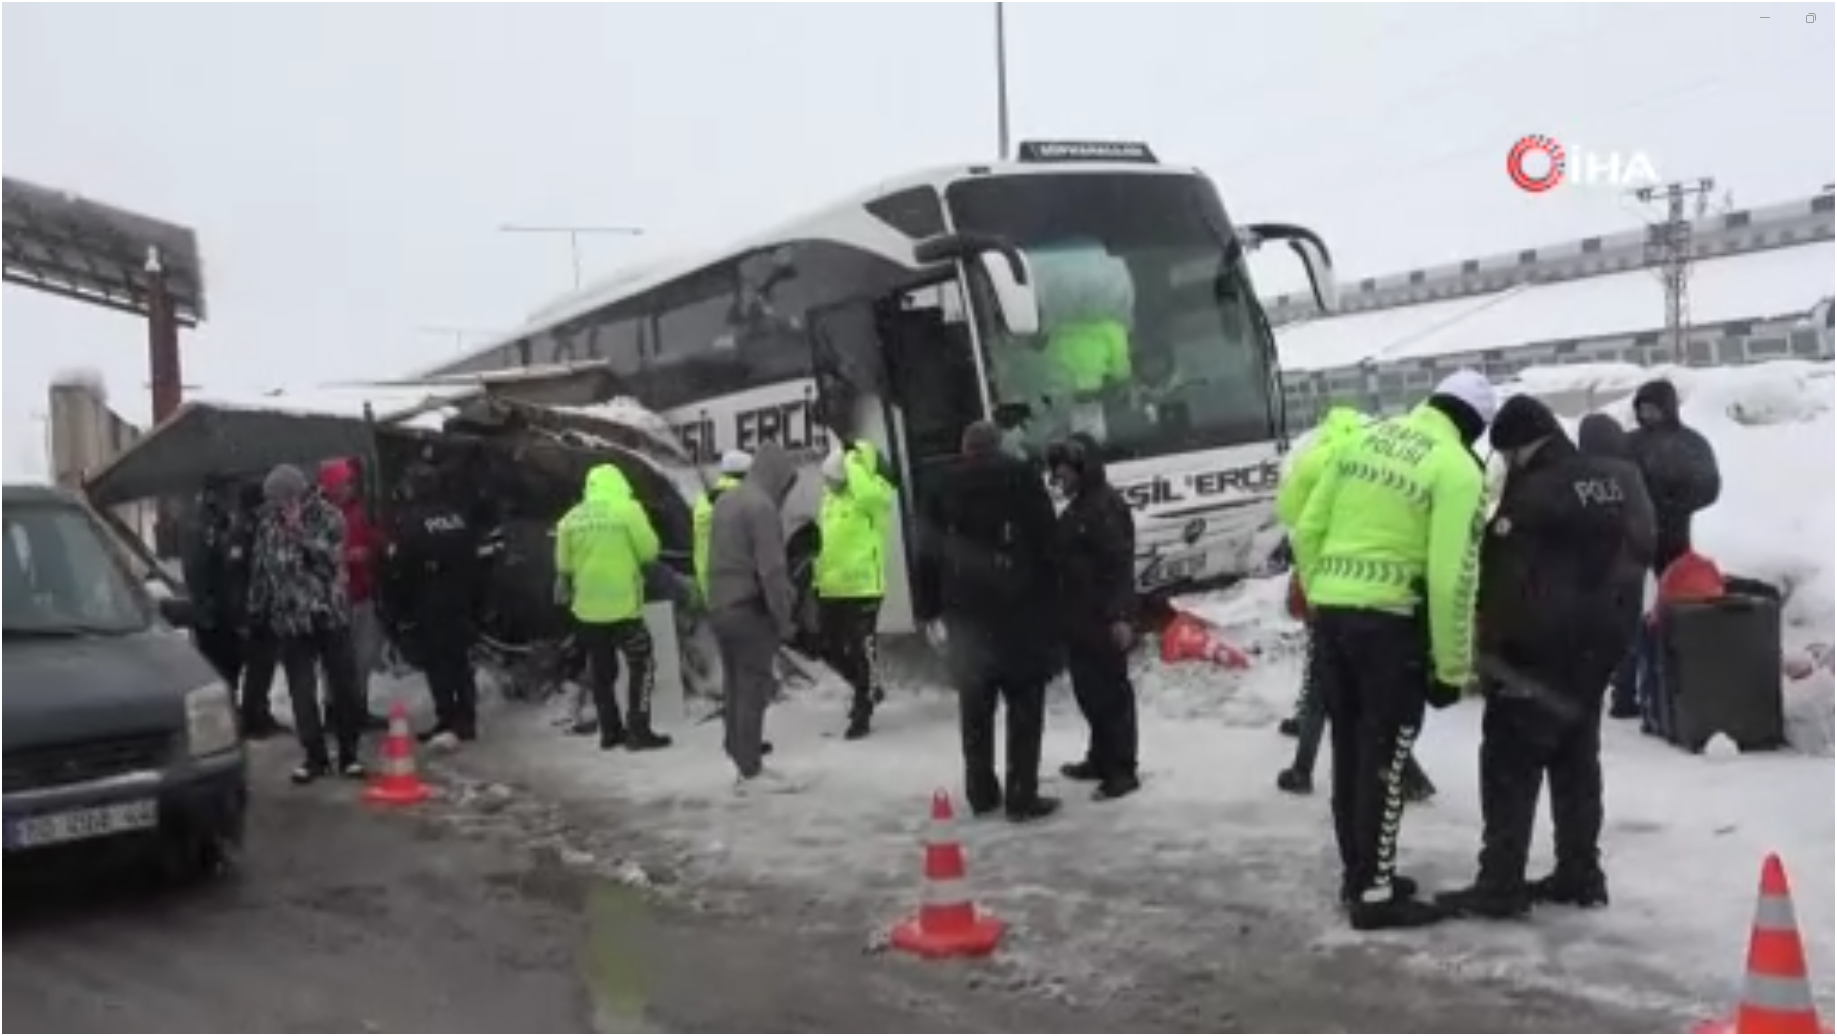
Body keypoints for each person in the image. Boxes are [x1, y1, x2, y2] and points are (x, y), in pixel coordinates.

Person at [1290, 369, 1495, 929]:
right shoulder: (1455, 468)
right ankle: (1376, 895)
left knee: (1350, 751)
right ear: (1475, 425)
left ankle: (1359, 875)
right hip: (1390, 627)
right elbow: (1453, 577)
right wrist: (1450, 667)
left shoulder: (1361, 441)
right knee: (1386, 756)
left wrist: (1322, 595)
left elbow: (1307, 528)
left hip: (1333, 618)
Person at [1438, 396, 1654, 918]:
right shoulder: (1620, 477)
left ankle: (1501, 882)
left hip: (1536, 655)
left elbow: (1505, 579)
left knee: (1509, 764)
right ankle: (1581, 870)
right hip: (1600, 647)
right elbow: (1643, 545)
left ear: (1517, 446)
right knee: (1576, 758)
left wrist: (1491, 650)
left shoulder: (1534, 492)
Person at [1274, 407, 1432, 800]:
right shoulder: (1374, 455)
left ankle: (1303, 769)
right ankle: (1406, 774)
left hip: (1330, 580)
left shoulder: (1315, 459)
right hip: (1378, 586)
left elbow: (1292, 516)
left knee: (1322, 684)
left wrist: (1312, 587)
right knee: (1370, 692)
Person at [918, 421, 1061, 821]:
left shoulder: (941, 485)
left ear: (965, 449)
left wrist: (929, 608)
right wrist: (1051, 599)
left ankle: (981, 791)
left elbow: (927, 553)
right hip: (1018, 611)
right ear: (997, 446)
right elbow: (1047, 541)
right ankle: (1021, 795)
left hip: (965, 615)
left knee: (975, 708)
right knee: (1024, 708)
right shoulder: (1022, 477)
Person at [248, 463, 366, 783]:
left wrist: (302, 535)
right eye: (273, 501)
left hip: (330, 615)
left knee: (344, 687)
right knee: (302, 691)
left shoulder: (329, 517)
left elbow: (332, 563)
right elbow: (261, 570)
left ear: (299, 494)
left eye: (282, 499)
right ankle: (314, 756)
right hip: (290, 621)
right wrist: (255, 609)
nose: (278, 506)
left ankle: (349, 753)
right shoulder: (268, 526)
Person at [1611, 379, 1721, 718]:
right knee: (1627, 613)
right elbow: (1610, 482)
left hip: (1673, 538)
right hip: (1630, 538)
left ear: (1669, 407)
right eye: (1642, 408)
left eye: (1654, 407)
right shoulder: (1628, 444)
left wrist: (1673, 504)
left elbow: (1709, 485)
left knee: (1676, 610)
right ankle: (1625, 691)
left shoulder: (1690, 443)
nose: (1648, 414)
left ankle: (1674, 681)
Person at [1048, 434, 1140, 801]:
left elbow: (1119, 565)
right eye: (1056, 472)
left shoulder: (1105, 507)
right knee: (1088, 691)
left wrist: (1120, 616)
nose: (1059, 479)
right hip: (1079, 618)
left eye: (1064, 472)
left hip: (1103, 617)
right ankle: (1100, 757)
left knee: (1111, 695)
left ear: (1081, 469)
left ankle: (1122, 769)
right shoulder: (1079, 507)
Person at [554, 463, 671, 751]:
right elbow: (649, 551)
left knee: (602, 673)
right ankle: (639, 730)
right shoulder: (627, 509)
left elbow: (564, 565)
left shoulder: (570, 519)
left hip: (587, 612)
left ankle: (610, 732)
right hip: (624, 608)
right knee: (641, 666)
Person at [706, 443, 800, 791]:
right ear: (776, 476)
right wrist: (784, 618)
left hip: (720, 606)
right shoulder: (761, 508)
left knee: (734, 685)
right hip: (748, 609)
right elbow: (772, 571)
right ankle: (751, 770)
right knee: (753, 686)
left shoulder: (728, 500)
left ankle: (739, 756)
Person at [390, 463, 484, 742]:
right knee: (459, 659)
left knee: (437, 661)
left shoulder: (411, 520)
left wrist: (400, 607)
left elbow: (402, 566)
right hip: (459, 596)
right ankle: (467, 718)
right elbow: (474, 557)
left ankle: (447, 716)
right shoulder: (457, 516)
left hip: (428, 597)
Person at [814, 440, 895, 739]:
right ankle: (868, 686)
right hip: (831, 588)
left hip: (863, 588)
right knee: (826, 646)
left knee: (863, 651)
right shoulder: (830, 498)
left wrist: (853, 462)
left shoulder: (874, 495)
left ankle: (862, 711)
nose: (829, 484)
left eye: (834, 479)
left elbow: (871, 495)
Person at [319, 459, 384, 720]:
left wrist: (371, 553)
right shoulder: (320, 516)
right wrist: (343, 557)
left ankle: (359, 706)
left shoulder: (362, 511)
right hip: (333, 597)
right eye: (344, 483)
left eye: (350, 482)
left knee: (363, 653)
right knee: (335, 657)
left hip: (362, 592)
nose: (349, 487)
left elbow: (378, 540)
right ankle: (334, 709)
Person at [693, 450, 751, 597]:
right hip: (738, 589)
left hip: (709, 586)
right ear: (747, 474)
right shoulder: (744, 500)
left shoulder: (703, 501)